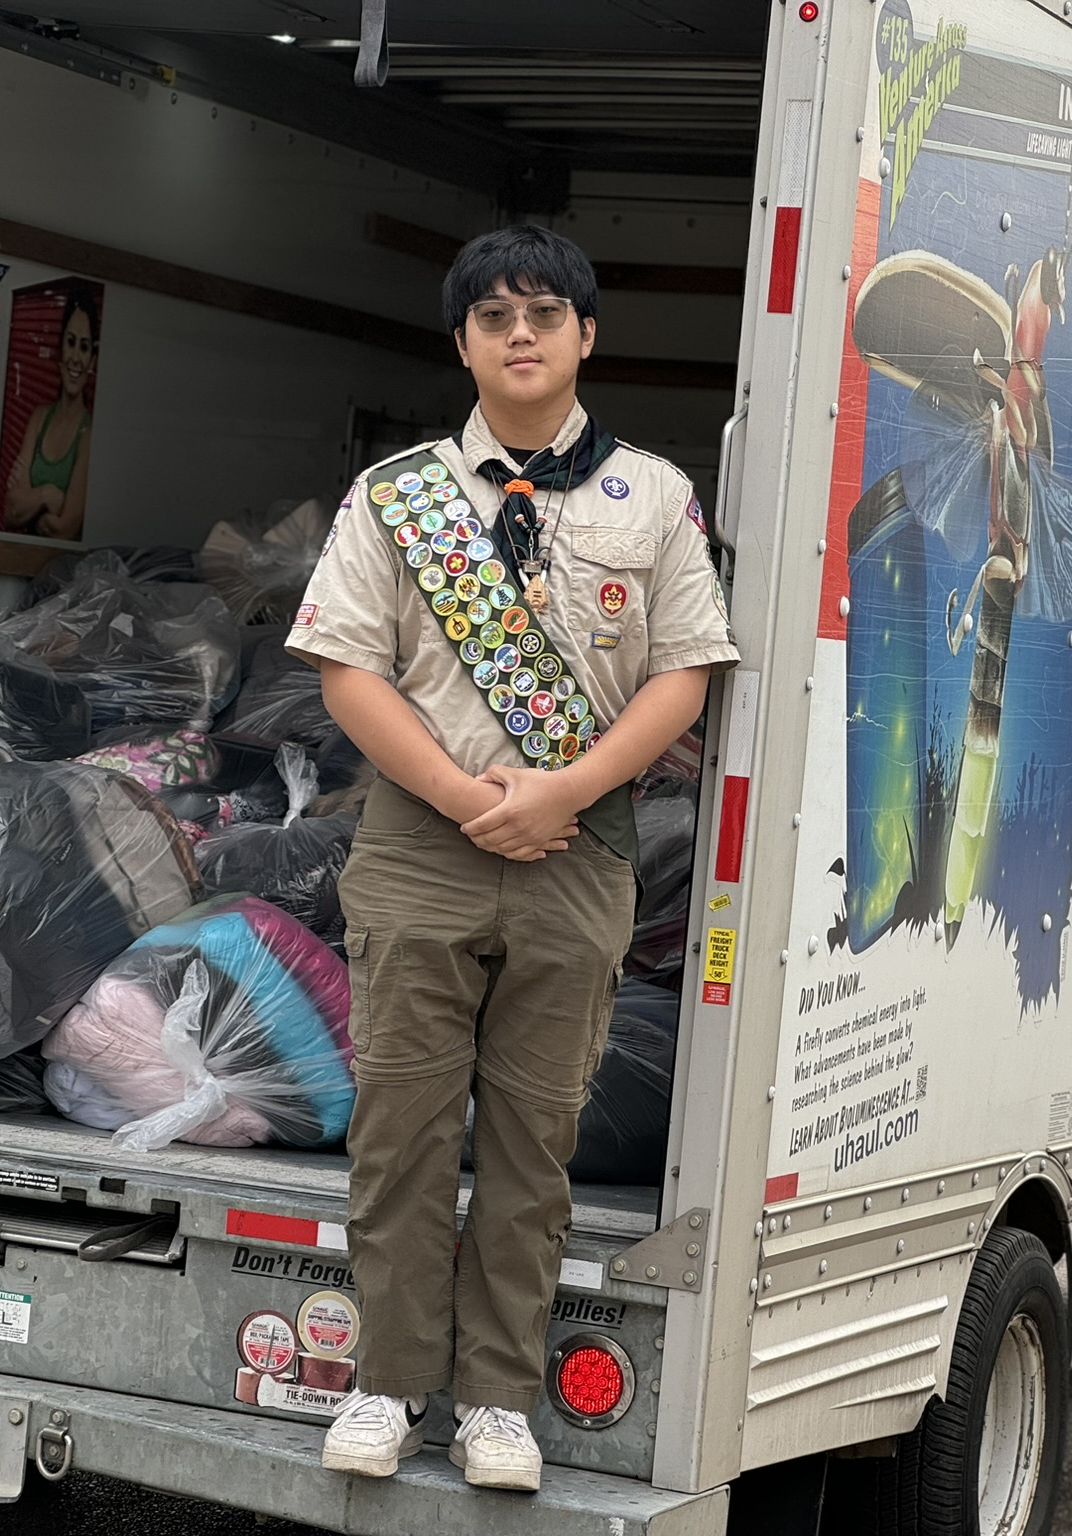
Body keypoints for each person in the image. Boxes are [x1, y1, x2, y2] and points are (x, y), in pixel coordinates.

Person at [287, 226, 738, 1492]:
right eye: (494, 318)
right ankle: (387, 1384)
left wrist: (569, 791)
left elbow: (685, 674)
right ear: (463, 342)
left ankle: (495, 1400)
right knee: (402, 1138)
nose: (521, 335)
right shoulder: (398, 495)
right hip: (421, 847)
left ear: (587, 336)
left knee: (532, 1149)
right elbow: (344, 668)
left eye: (545, 313)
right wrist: (458, 795)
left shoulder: (649, 496)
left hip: (577, 849)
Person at [0, 286, 98, 541]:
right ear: (60, 351)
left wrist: (29, 502)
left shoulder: (90, 435)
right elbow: (10, 511)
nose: (76, 357)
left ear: (92, 362)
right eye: (71, 342)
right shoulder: (39, 418)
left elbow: (65, 529)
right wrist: (47, 495)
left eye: (85, 347)